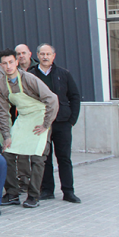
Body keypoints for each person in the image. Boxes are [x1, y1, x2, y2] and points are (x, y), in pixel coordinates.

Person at [0, 49, 58, 209]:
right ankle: (12, 193)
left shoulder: (29, 79)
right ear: (0, 65)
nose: (8, 66)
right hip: (23, 118)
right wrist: (6, 135)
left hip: (40, 116)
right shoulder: (1, 85)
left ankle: (33, 196)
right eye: (4, 63)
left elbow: (52, 99)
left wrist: (46, 124)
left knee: (37, 158)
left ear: (16, 62)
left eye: (11, 62)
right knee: (7, 153)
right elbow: (2, 112)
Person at [31, 44, 82, 203]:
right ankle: (47, 190)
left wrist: (71, 120)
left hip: (62, 122)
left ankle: (68, 191)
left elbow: (74, 96)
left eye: (48, 54)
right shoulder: (31, 75)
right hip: (41, 123)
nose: (45, 57)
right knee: (44, 158)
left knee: (64, 158)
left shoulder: (64, 74)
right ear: (38, 55)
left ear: (54, 56)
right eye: (42, 54)